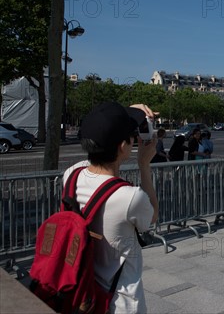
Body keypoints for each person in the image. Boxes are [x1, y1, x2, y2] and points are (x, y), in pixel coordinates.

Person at [63, 101, 158, 312]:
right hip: (120, 300)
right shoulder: (130, 197)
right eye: (132, 136)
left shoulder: (71, 175)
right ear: (123, 146)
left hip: (82, 289)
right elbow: (153, 215)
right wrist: (144, 164)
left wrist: (124, 112)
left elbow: (101, 128)